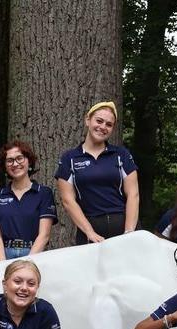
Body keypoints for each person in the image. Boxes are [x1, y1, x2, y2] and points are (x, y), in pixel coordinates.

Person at [55, 101, 139, 245]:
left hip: (122, 223)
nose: (103, 127)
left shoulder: (121, 154)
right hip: (90, 227)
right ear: (88, 120)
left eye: (109, 124)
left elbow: (133, 194)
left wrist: (129, 232)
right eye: (99, 121)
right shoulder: (69, 158)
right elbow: (68, 200)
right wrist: (89, 232)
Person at [0, 141, 57, 260]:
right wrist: (2, 265)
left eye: (20, 158)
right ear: (5, 166)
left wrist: (28, 263)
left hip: (34, 254)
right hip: (3, 255)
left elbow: (44, 235)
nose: (15, 163)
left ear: (29, 161)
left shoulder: (43, 193)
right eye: (10, 160)